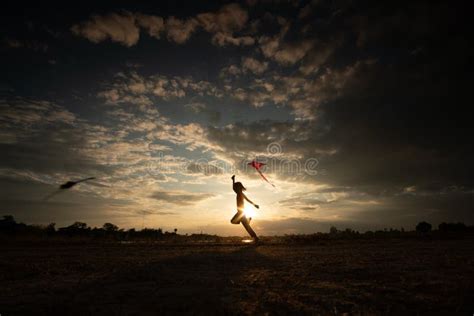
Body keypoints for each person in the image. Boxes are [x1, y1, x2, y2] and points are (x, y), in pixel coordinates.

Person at [230, 175, 260, 242]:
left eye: (236, 187)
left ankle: (248, 220)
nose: (235, 188)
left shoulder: (239, 193)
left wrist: (233, 180)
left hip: (240, 212)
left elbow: (233, 188)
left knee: (232, 221)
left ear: (239, 187)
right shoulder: (240, 193)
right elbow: (248, 200)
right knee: (247, 226)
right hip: (242, 212)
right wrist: (233, 180)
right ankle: (255, 238)